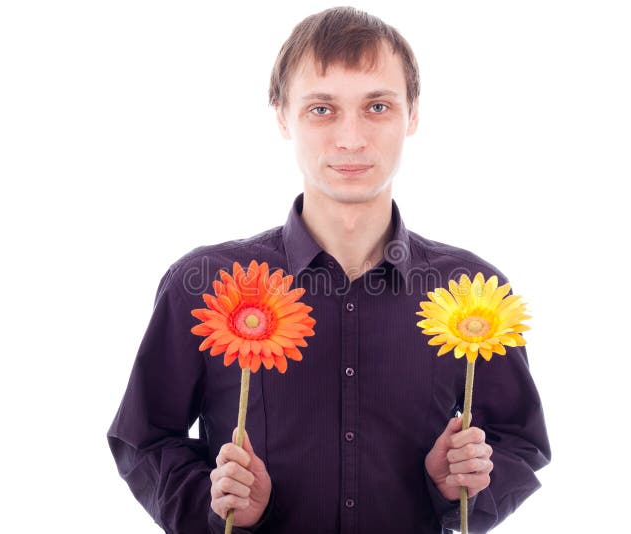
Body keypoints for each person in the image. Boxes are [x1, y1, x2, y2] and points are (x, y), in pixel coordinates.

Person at [107, 6, 550, 533]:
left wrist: (461, 489)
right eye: (322, 109)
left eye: (378, 106)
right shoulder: (204, 287)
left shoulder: (473, 293)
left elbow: (519, 440)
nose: (351, 139)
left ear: (412, 115)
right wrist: (216, 507)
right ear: (281, 115)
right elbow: (146, 438)